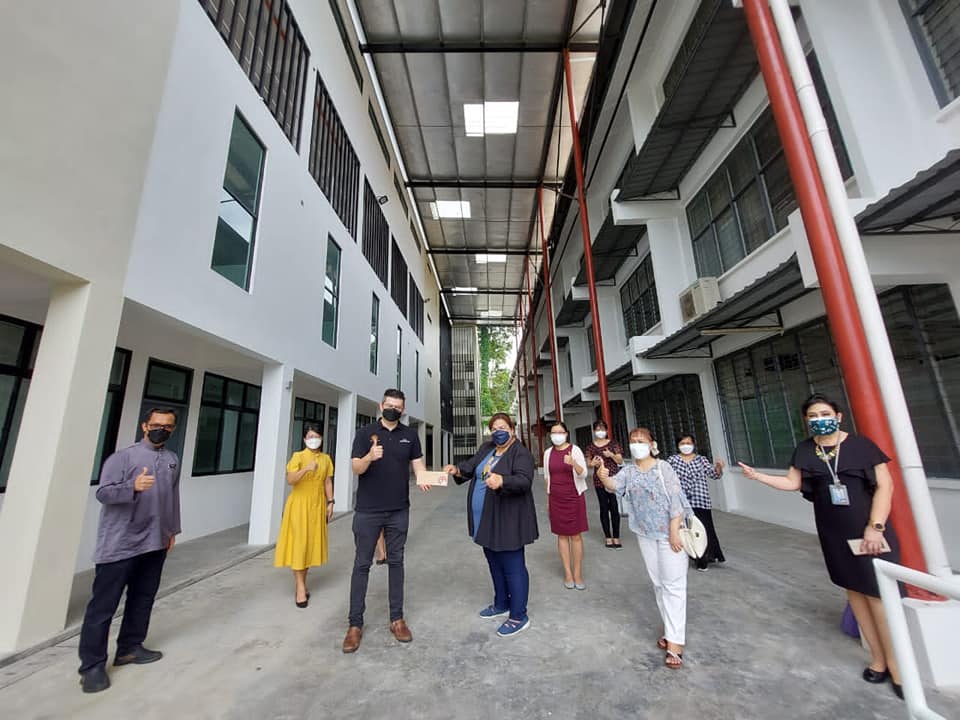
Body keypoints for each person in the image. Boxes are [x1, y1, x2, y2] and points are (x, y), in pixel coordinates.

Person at [738, 393, 904, 699]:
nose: (819, 420)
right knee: (854, 593)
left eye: (824, 414)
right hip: (834, 532)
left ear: (838, 416)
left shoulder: (861, 446)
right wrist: (757, 476)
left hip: (868, 531)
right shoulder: (805, 450)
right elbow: (792, 483)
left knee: (877, 596)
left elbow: (886, 486)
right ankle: (878, 660)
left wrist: (876, 525)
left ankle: (898, 669)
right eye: (812, 416)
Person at [77, 408, 182, 693]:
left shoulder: (172, 459)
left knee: (142, 598)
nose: (161, 429)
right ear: (145, 426)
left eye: (167, 426)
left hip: (155, 541)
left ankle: (130, 648)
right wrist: (132, 486)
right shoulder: (122, 458)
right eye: (156, 424)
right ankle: (92, 666)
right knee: (103, 606)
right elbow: (103, 493)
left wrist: (172, 530)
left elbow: (173, 497)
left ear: (173, 429)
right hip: (120, 544)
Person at [342, 389, 428, 653]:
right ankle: (354, 625)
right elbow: (356, 467)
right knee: (361, 565)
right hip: (368, 511)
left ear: (403, 410)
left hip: (398, 510)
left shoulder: (410, 435)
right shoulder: (365, 433)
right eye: (389, 405)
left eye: (397, 407)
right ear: (381, 406)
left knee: (397, 563)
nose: (393, 409)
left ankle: (397, 619)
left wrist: (425, 477)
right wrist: (370, 457)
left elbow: (417, 464)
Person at [598, 427, 691, 669]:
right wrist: (603, 475)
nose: (637, 444)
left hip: (669, 534)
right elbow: (613, 485)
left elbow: (676, 499)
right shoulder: (629, 471)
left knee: (673, 586)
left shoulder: (663, 468)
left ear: (652, 445)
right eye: (633, 441)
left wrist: (674, 530)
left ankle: (675, 643)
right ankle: (670, 631)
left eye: (641, 441)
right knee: (659, 584)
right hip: (645, 534)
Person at [443, 413, 538, 637]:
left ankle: (518, 615)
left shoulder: (520, 452)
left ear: (512, 429)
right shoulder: (487, 448)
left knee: (513, 566)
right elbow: (471, 466)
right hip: (485, 520)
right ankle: (501, 603)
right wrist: (456, 470)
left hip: (508, 519)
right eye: (494, 428)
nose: (498, 432)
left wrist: (503, 480)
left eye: (503, 427)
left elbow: (524, 480)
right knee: (494, 562)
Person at [274, 423, 335, 607]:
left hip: (317, 505)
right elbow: (290, 479)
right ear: (304, 439)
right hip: (299, 505)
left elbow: (327, 482)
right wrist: (306, 469)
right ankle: (300, 587)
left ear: (321, 438)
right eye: (310, 437)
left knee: (309, 545)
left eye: (316, 436)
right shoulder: (298, 456)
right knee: (299, 545)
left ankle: (302, 583)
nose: (313, 440)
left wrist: (331, 502)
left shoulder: (326, 459)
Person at [666, 434, 725, 571]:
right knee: (683, 530)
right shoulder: (673, 460)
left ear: (693, 444)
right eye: (682, 443)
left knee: (703, 530)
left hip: (700, 500)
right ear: (678, 445)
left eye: (688, 443)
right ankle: (687, 555)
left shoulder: (701, 460)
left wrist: (718, 467)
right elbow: (665, 477)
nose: (686, 446)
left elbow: (714, 474)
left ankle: (703, 558)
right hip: (680, 501)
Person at [543, 421, 589, 590]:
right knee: (561, 536)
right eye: (553, 432)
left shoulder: (574, 450)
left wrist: (573, 463)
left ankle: (577, 573)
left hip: (574, 497)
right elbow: (547, 477)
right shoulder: (548, 453)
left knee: (576, 536)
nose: (556, 435)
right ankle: (568, 573)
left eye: (560, 432)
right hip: (556, 498)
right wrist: (548, 500)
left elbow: (583, 474)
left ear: (566, 434)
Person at [585, 420, 624, 549]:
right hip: (599, 480)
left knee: (614, 507)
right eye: (597, 429)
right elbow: (588, 463)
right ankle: (608, 536)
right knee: (603, 507)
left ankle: (616, 536)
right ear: (594, 431)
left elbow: (620, 460)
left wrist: (611, 455)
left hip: (613, 479)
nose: (600, 431)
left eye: (602, 429)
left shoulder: (613, 444)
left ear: (606, 430)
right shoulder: (591, 447)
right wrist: (593, 463)